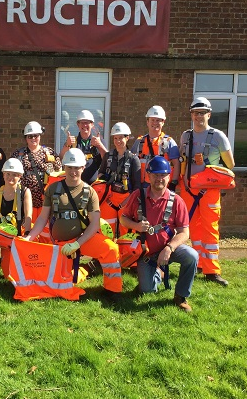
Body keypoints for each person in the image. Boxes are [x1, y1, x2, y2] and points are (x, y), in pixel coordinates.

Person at [24, 147, 122, 300]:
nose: (73, 171)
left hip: (83, 240)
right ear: (64, 167)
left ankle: (112, 290)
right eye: (70, 167)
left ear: (83, 168)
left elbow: (94, 224)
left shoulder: (90, 192)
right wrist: (29, 238)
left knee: (111, 248)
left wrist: (77, 244)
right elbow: (43, 218)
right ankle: (83, 271)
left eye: (77, 168)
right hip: (60, 245)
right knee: (60, 285)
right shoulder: (53, 189)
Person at [120, 156, 198, 311]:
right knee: (147, 290)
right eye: (155, 175)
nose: (159, 179)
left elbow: (184, 232)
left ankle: (181, 296)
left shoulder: (176, 201)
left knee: (192, 256)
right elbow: (123, 219)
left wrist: (169, 248)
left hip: (168, 249)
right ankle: (158, 274)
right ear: (148, 176)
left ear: (169, 177)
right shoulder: (138, 195)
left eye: (163, 175)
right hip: (146, 253)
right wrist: (136, 225)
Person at [179, 97, 235, 286]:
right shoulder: (186, 136)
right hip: (189, 189)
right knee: (193, 229)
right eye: (195, 113)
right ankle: (198, 264)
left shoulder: (218, 136)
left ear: (209, 115)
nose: (199, 116)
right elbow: (183, 162)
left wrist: (209, 167)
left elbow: (230, 165)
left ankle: (212, 270)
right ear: (191, 115)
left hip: (209, 190)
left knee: (210, 229)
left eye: (202, 113)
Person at [95, 122, 141, 239]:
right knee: (106, 230)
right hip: (109, 199)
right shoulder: (108, 156)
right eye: (115, 138)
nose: (118, 141)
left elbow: (137, 186)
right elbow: (100, 174)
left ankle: (125, 255)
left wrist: (127, 202)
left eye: (121, 138)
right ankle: (107, 254)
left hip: (126, 200)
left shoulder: (133, 159)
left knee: (126, 232)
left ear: (127, 138)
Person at [0, 158, 32, 277]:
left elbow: (28, 217)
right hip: (5, 239)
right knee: (9, 275)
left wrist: (26, 239)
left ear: (20, 176)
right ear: (3, 174)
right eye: (8, 174)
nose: (10, 177)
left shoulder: (25, 192)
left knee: (22, 273)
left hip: (21, 237)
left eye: (14, 175)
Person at [11, 121, 62, 220]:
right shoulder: (18, 154)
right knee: (28, 229)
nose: (33, 138)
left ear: (40, 136)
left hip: (46, 201)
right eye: (30, 136)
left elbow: (59, 172)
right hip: (25, 201)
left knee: (45, 231)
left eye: (35, 135)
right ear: (26, 138)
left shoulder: (49, 152)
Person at [131, 105, 181, 190]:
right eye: (152, 120)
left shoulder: (169, 142)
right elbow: (131, 162)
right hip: (142, 186)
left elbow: (176, 164)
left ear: (163, 122)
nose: (155, 123)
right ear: (147, 122)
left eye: (158, 120)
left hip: (161, 187)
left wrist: (173, 182)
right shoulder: (139, 141)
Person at [59, 109, 107, 184]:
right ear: (78, 124)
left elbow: (107, 160)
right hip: (74, 186)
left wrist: (99, 145)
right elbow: (61, 158)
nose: (84, 125)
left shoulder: (99, 141)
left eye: (87, 123)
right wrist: (67, 145)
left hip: (94, 187)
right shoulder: (72, 141)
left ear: (92, 124)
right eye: (82, 123)